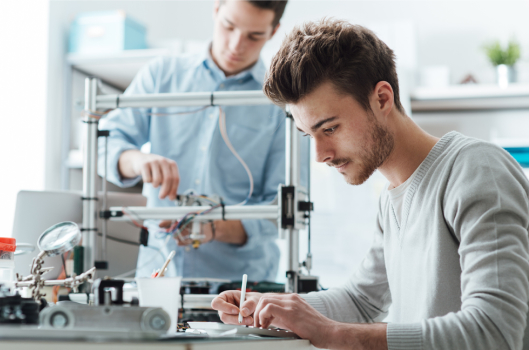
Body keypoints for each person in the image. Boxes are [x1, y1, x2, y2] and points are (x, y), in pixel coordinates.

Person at [212, 19, 529, 350]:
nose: (319, 155)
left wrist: (334, 334)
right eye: (309, 136)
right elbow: (361, 301)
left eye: (330, 128)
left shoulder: (476, 169)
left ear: (381, 98)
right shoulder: (392, 197)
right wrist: (270, 306)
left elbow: (494, 330)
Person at [98, 0, 288, 281]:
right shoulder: (162, 75)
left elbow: (285, 207)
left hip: (242, 285)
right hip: (157, 273)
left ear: (273, 32)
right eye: (229, 26)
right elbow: (103, 144)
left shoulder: (282, 102)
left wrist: (215, 228)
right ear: (215, 10)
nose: (236, 45)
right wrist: (138, 160)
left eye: (254, 36)